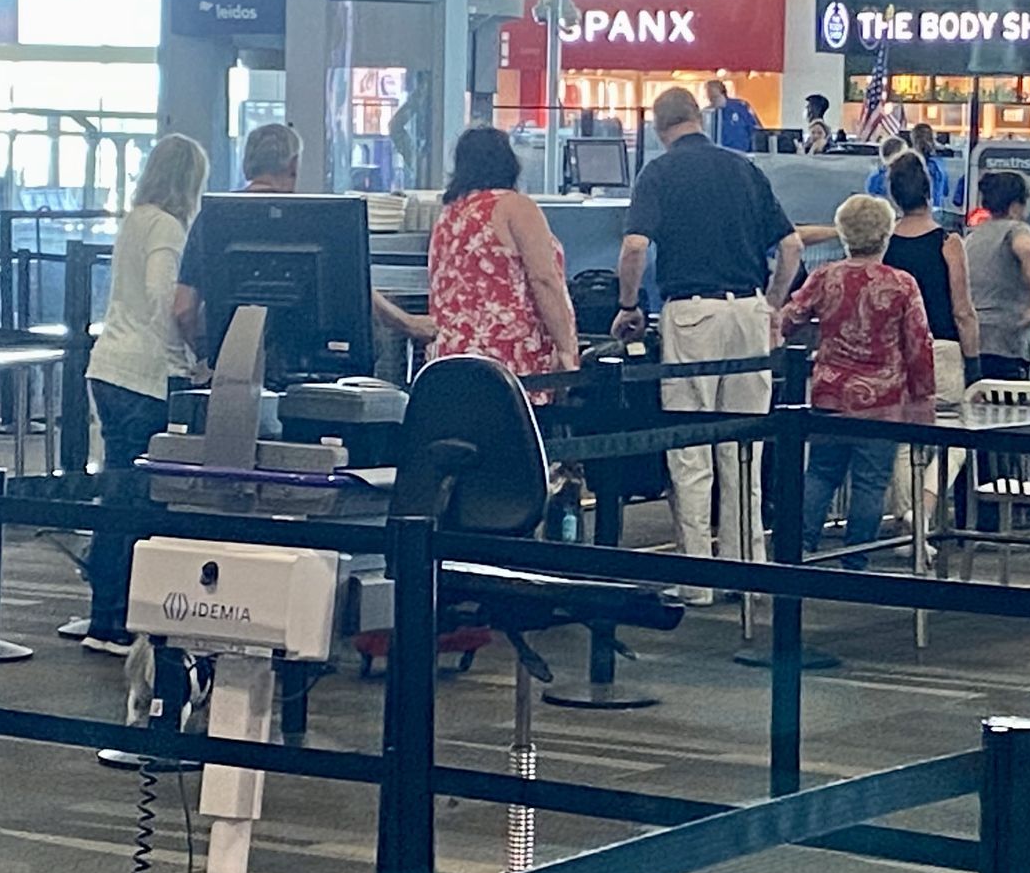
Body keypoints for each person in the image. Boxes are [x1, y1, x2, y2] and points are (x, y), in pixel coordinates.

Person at [612, 88, 803, 604]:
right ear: (700, 118)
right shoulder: (743, 169)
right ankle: (749, 573)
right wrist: (772, 306)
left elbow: (634, 246)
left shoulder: (658, 173)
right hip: (747, 311)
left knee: (691, 447)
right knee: (744, 446)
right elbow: (791, 246)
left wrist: (629, 305)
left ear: (659, 128)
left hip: (691, 314)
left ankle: (697, 580)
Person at [77, 135, 211, 656]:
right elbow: (170, 302)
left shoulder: (135, 219)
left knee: (117, 493)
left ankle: (104, 613)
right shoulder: (169, 228)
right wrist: (198, 352)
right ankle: (114, 620)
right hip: (147, 374)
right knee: (136, 499)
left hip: (109, 366)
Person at [173, 123, 432, 367]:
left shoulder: (211, 217)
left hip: (233, 371)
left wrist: (214, 358)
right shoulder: (311, 218)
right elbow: (353, 285)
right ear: (293, 165)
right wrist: (408, 323)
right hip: (311, 366)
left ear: (247, 165)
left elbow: (184, 308)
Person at [781, 195, 934, 570]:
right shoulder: (901, 284)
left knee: (820, 472)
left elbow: (789, 319)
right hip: (882, 401)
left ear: (844, 234)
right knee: (870, 482)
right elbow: (919, 343)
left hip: (829, 394)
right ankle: (855, 559)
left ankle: (798, 548)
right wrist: (923, 396)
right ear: (886, 235)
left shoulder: (824, 277)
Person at [427, 127, 580, 398]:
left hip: (452, 357)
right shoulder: (516, 207)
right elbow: (543, 279)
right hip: (510, 355)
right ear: (510, 162)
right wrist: (566, 348)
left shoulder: (448, 216)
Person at [880, 154, 980, 536]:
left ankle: (910, 523)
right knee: (954, 435)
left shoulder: (884, 245)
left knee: (906, 440)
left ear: (893, 195)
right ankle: (923, 512)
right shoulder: (948, 243)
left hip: (896, 351)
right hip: (941, 349)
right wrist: (974, 362)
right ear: (929, 189)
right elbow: (963, 310)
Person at [962, 170, 1030, 384]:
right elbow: (1027, 251)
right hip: (1005, 339)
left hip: (972, 340)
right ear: (1015, 206)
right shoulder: (1017, 230)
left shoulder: (973, 237)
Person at [704, 79, 761, 154]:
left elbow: (755, 129)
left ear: (722, 93)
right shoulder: (708, 113)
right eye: (710, 98)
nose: (713, 101)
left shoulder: (741, 107)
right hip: (719, 154)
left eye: (715, 97)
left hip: (742, 153)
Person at [906, 123, 951, 208]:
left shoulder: (910, 165)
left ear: (913, 140)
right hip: (937, 209)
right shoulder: (939, 164)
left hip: (917, 210)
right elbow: (945, 191)